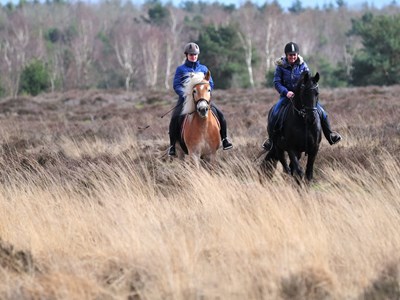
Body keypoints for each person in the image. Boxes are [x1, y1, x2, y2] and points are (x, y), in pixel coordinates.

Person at [262, 42, 342, 151]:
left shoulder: (303, 65)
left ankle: (330, 135)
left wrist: (305, 92)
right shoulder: (280, 67)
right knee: (275, 112)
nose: (292, 57)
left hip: (302, 98)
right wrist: (286, 92)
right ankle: (271, 141)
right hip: (287, 96)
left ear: (297, 54)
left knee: (322, 112)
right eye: (290, 55)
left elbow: (308, 81)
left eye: (294, 54)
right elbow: (277, 82)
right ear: (286, 55)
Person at [168, 42, 233, 156]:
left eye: (195, 54)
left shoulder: (203, 68)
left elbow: (211, 83)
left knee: (221, 115)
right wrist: (185, 94)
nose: (193, 56)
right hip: (186, 100)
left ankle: (224, 139)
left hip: (203, 99)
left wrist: (205, 93)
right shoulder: (181, 69)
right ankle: (173, 145)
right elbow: (176, 85)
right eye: (191, 54)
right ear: (186, 55)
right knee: (175, 118)